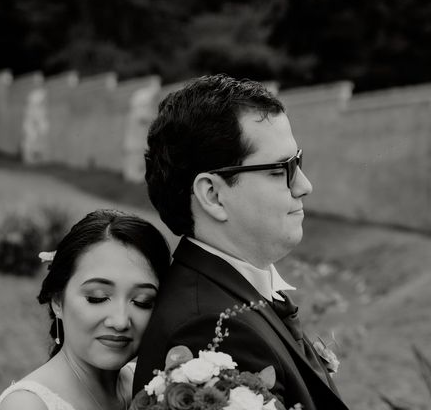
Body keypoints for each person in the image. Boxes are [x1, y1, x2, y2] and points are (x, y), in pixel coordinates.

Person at [133, 75, 350, 410]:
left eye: (298, 162)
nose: (304, 185)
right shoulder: (210, 331)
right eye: (281, 170)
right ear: (213, 195)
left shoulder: (229, 296)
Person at [0, 209, 171, 410]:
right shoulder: (27, 405)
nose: (121, 322)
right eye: (98, 297)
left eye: (142, 301)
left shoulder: (155, 387)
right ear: (58, 301)